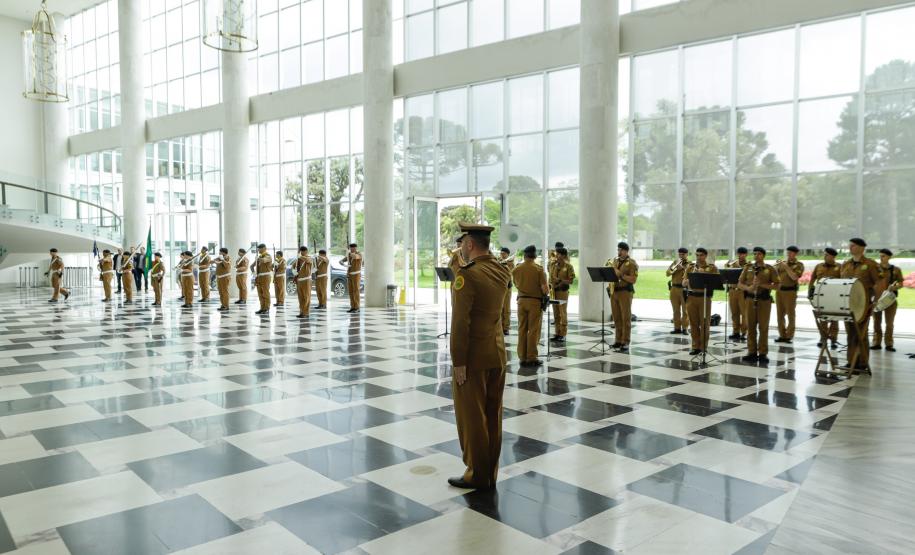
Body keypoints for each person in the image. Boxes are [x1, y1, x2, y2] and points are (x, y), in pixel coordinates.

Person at [447, 222, 510, 490]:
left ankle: (476, 473)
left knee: (472, 417)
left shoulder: (467, 275)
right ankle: (489, 472)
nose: (461, 247)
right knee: (492, 416)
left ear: (470, 244)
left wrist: (458, 361)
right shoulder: (501, 269)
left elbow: (461, 322)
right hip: (496, 354)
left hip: (473, 358)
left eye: (462, 243)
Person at [840, 238, 880, 371]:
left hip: (863, 305)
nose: (850, 247)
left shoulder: (870, 264)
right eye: (850, 245)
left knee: (861, 334)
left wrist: (875, 302)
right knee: (850, 333)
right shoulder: (845, 264)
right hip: (847, 305)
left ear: (862, 248)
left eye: (854, 245)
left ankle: (862, 362)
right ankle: (851, 361)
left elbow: (879, 284)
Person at [738, 247, 777, 363]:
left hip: (764, 300)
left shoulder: (769, 269)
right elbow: (739, 284)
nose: (756, 256)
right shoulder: (748, 267)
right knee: (750, 326)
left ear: (763, 255)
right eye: (754, 254)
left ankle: (763, 353)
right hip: (750, 300)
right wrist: (749, 288)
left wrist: (762, 285)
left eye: (759, 254)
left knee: (763, 328)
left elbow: (777, 285)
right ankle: (752, 352)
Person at [512, 245, 548, 367]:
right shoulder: (538, 269)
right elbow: (545, 289)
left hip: (521, 301)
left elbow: (516, 284)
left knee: (522, 329)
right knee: (533, 330)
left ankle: (522, 357)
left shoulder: (516, 269)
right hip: (534, 302)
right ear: (534, 255)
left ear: (525, 255)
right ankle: (531, 357)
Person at [683, 248, 719, 356]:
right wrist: (687, 281)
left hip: (704, 298)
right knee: (693, 323)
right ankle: (695, 346)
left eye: (701, 255)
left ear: (706, 256)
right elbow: (683, 282)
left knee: (704, 323)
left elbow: (717, 283)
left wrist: (704, 276)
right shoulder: (690, 267)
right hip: (691, 297)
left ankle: (703, 347)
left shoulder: (712, 268)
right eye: (697, 255)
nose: (699, 257)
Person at [608, 242, 638, 352]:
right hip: (614, 292)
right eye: (618, 250)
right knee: (616, 317)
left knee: (625, 318)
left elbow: (633, 280)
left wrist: (620, 274)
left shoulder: (631, 263)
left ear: (626, 251)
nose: (618, 252)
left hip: (625, 292)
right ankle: (618, 340)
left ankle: (625, 341)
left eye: (621, 250)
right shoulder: (615, 261)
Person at [808, 247, 841, 349]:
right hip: (821, 297)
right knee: (823, 319)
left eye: (827, 255)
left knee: (835, 318)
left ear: (833, 257)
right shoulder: (819, 266)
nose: (824, 256)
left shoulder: (840, 267)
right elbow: (812, 279)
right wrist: (810, 292)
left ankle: (834, 340)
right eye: (824, 254)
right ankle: (823, 338)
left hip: (835, 297)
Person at [872, 248, 903, 352]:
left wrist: (895, 287)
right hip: (877, 299)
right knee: (876, 322)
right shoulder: (875, 268)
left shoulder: (896, 269)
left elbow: (901, 283)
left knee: (889, 323)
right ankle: (876, 342)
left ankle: (889, 344)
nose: (881, 258)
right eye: (880, 256)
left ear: (889, 257)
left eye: (883, 256)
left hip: (890, 300)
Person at [774, 246, 804, 344]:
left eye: (791, 252)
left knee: (790, 314)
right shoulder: (781, 263)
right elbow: (774, 274)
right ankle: (782, 335)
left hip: (790, 292)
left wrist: (786, 266)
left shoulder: (799, 265)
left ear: (795, 254)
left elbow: (794, 277)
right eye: (788, 252)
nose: (788, 254)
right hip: (779, 292)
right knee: (780, 314)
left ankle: (789, 335)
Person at [550, 247, 575, 342]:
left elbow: (571, 281)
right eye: (556, 254)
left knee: (562, 313)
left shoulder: (569, 266)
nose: (556, 255)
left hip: (562, 292)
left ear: (564, 255)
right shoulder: (553, 265)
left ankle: (563, 334)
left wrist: (560, 280)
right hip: (554, 291)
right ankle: (557, 333)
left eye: (558, 254)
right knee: (556, 314)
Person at [726, 247, 749, 340]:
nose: (740, 255)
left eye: (742, 254)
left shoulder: (748, 265)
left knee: (744, 313)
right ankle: (735, 331)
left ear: (746, 254)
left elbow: (746, 276)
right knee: (734, 313)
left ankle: (744, 332)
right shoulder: (733, 264)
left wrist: (738, 266)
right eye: (739, 254)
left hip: (742, 291)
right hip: (732, 290)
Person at [666, 247, 690, 335]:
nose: (681, 256)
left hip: (684, 289)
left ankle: (685, 328)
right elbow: (667, 273)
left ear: (687, 255)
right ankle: (677, 328)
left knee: (685, 310)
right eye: (679, 254)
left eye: (683, 254)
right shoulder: (675, 262)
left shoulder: (690, 264)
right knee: (675, 310)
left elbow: (690, 275)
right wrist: (674, 270)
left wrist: (682, 268)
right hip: (674, 288)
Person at [497, 247, 515, 336]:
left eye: (504, 253)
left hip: (507, 287)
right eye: (501, 253)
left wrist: (506, 264)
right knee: (499, 307)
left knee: (506, 308)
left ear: (508, 254)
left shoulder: (511, 263)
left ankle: (506, 327)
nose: (502, 255)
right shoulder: (498, 261)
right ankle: (499, 326)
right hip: (499, 287)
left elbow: (511, 272)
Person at [341, 243, 363, 313]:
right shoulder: (349, 255)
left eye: (353, 248)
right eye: (351, 248)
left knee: (356, 291)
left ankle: (357, 307)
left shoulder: (359, 254)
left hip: (356, 274)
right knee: (351, 291)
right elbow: (341, 260)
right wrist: (342, 263)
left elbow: (355, 257)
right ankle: (352, 307)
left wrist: (349, 253)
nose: (352, 249)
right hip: (350, 274)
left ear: (356, 248)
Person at [294, 246, 313, 318]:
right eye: (301, 251)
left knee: (306, 296)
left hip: (306, 280)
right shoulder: (298, 259)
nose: (302, 252)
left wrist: (300, 257)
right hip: (299, 280)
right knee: (300, 297)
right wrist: (294, 272)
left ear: (306, 251)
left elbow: (308, 260)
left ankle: (306, 312)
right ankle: (301, 311)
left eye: (303, 251)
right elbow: (294, 266)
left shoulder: (309, 258)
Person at [254, 244, 273, 315]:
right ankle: (262, 308)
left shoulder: (268, 256)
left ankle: (266, 308)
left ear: (264, 248)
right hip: (259, 277)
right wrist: (254, 273)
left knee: (265, 293)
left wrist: (258, 259)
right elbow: (253, 266)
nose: (258, 250)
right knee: (260, 293)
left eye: (260, 248)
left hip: (265, 276)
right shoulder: (259, 256)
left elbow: (263, 260)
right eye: (258, 249)